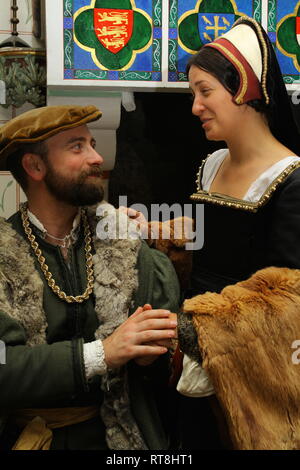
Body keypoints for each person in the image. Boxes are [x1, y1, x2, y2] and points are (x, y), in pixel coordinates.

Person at [0, 105, 180, 450]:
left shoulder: (126, 247)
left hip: (117, 441)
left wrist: (148, 358)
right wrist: (102, 353)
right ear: (35, 166)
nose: (97, 157)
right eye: (77, 146)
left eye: (93, 143)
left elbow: (163, 371)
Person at [175, 15, 300, 450]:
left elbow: (288, 305)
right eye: (194, 93)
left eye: (205, 91)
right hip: (197, 350)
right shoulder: (212, 165)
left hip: (253, 372)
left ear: (245, 90)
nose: (195, 106)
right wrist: (162, 233)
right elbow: (212, 246)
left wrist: (198, 331)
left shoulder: (290, 179)